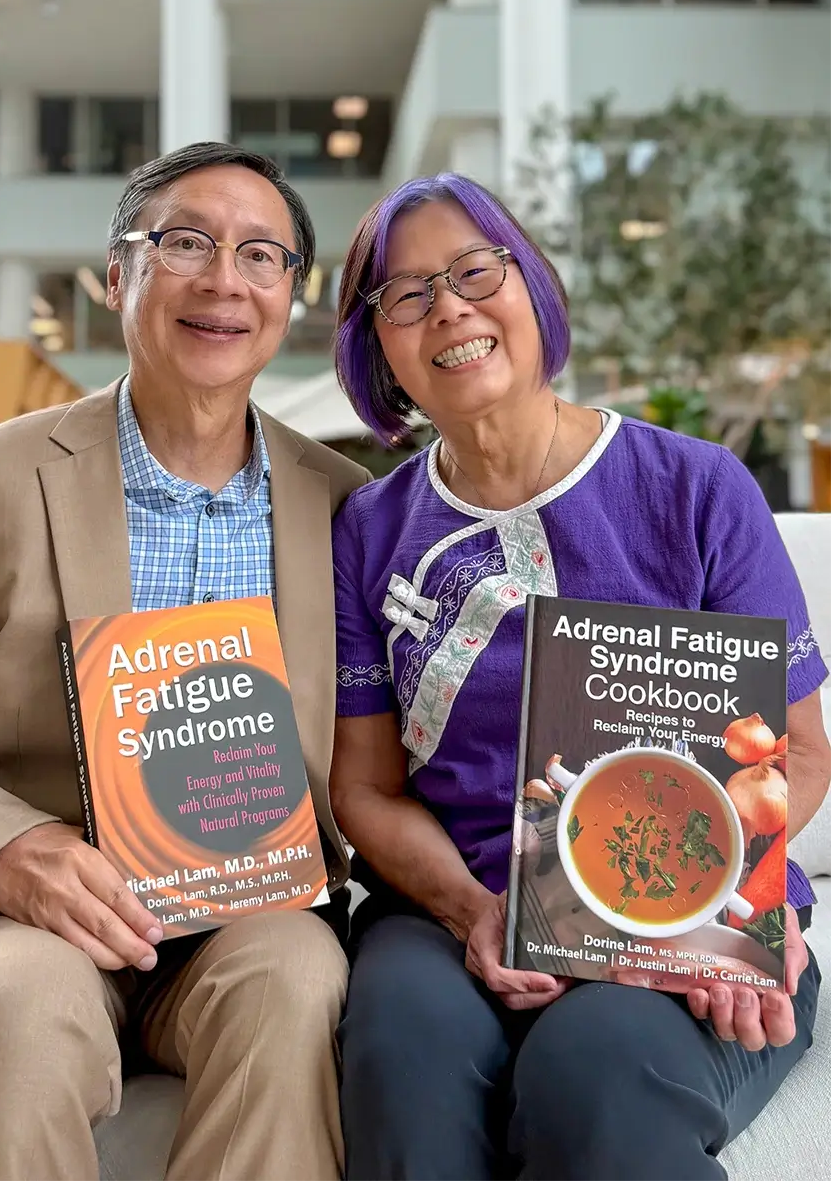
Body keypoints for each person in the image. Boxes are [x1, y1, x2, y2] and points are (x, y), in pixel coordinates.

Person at [0, 142, 369, 1181]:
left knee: (298, 980)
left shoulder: (346, 504)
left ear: (291, 296)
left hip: (252, 911)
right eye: (187, 243)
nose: (225, 279)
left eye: (261, 254)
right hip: (27, 913)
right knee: (24, 1015)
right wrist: (6, 848)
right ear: (118, 275)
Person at [328, 171, 831, 1181]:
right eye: (407, 294)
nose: (449, 308)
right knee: (402, 1059)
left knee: (592, 1072)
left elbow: (800, 752)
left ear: (534, 286)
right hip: (445, 910)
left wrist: (705, 916)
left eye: (475, 271)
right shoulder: (369, 530)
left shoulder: (697, 487)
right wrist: (476, 910)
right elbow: (367, 789)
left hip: (682, 904)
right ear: (377, 344)